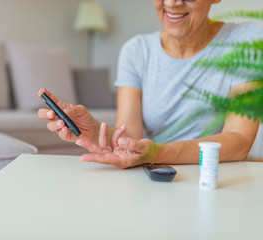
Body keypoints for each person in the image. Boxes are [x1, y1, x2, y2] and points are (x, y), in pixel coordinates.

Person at [38, 0, 263, 169]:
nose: (172, 3)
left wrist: (157, 153)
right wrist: (94, 131)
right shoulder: (136, 51)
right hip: (157, 175)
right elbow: (130, 134)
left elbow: (239, 140)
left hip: (214, 177)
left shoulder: (247, 40)